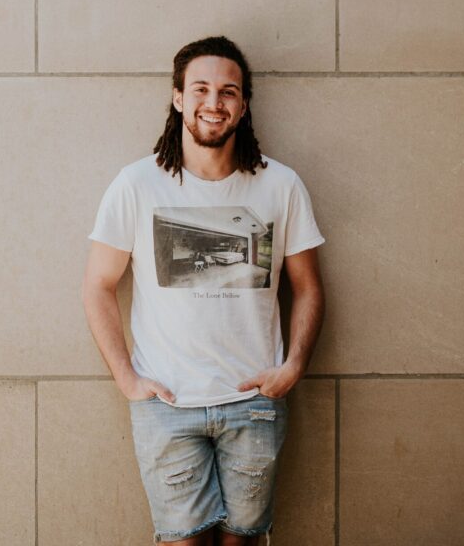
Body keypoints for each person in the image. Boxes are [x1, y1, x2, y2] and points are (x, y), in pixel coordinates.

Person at [81, 36, 325, 545]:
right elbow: (98, 286)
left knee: (243, 541)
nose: (214, 103)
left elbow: (308, 287)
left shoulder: (279, 185)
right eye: (201, 89)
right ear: (178, 98)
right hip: (166, 403)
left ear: (244, 104)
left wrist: (294, 366)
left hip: (254, 400)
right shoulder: (137, 184)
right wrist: (128, 379)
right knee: (182, 541)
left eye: (228, 92)